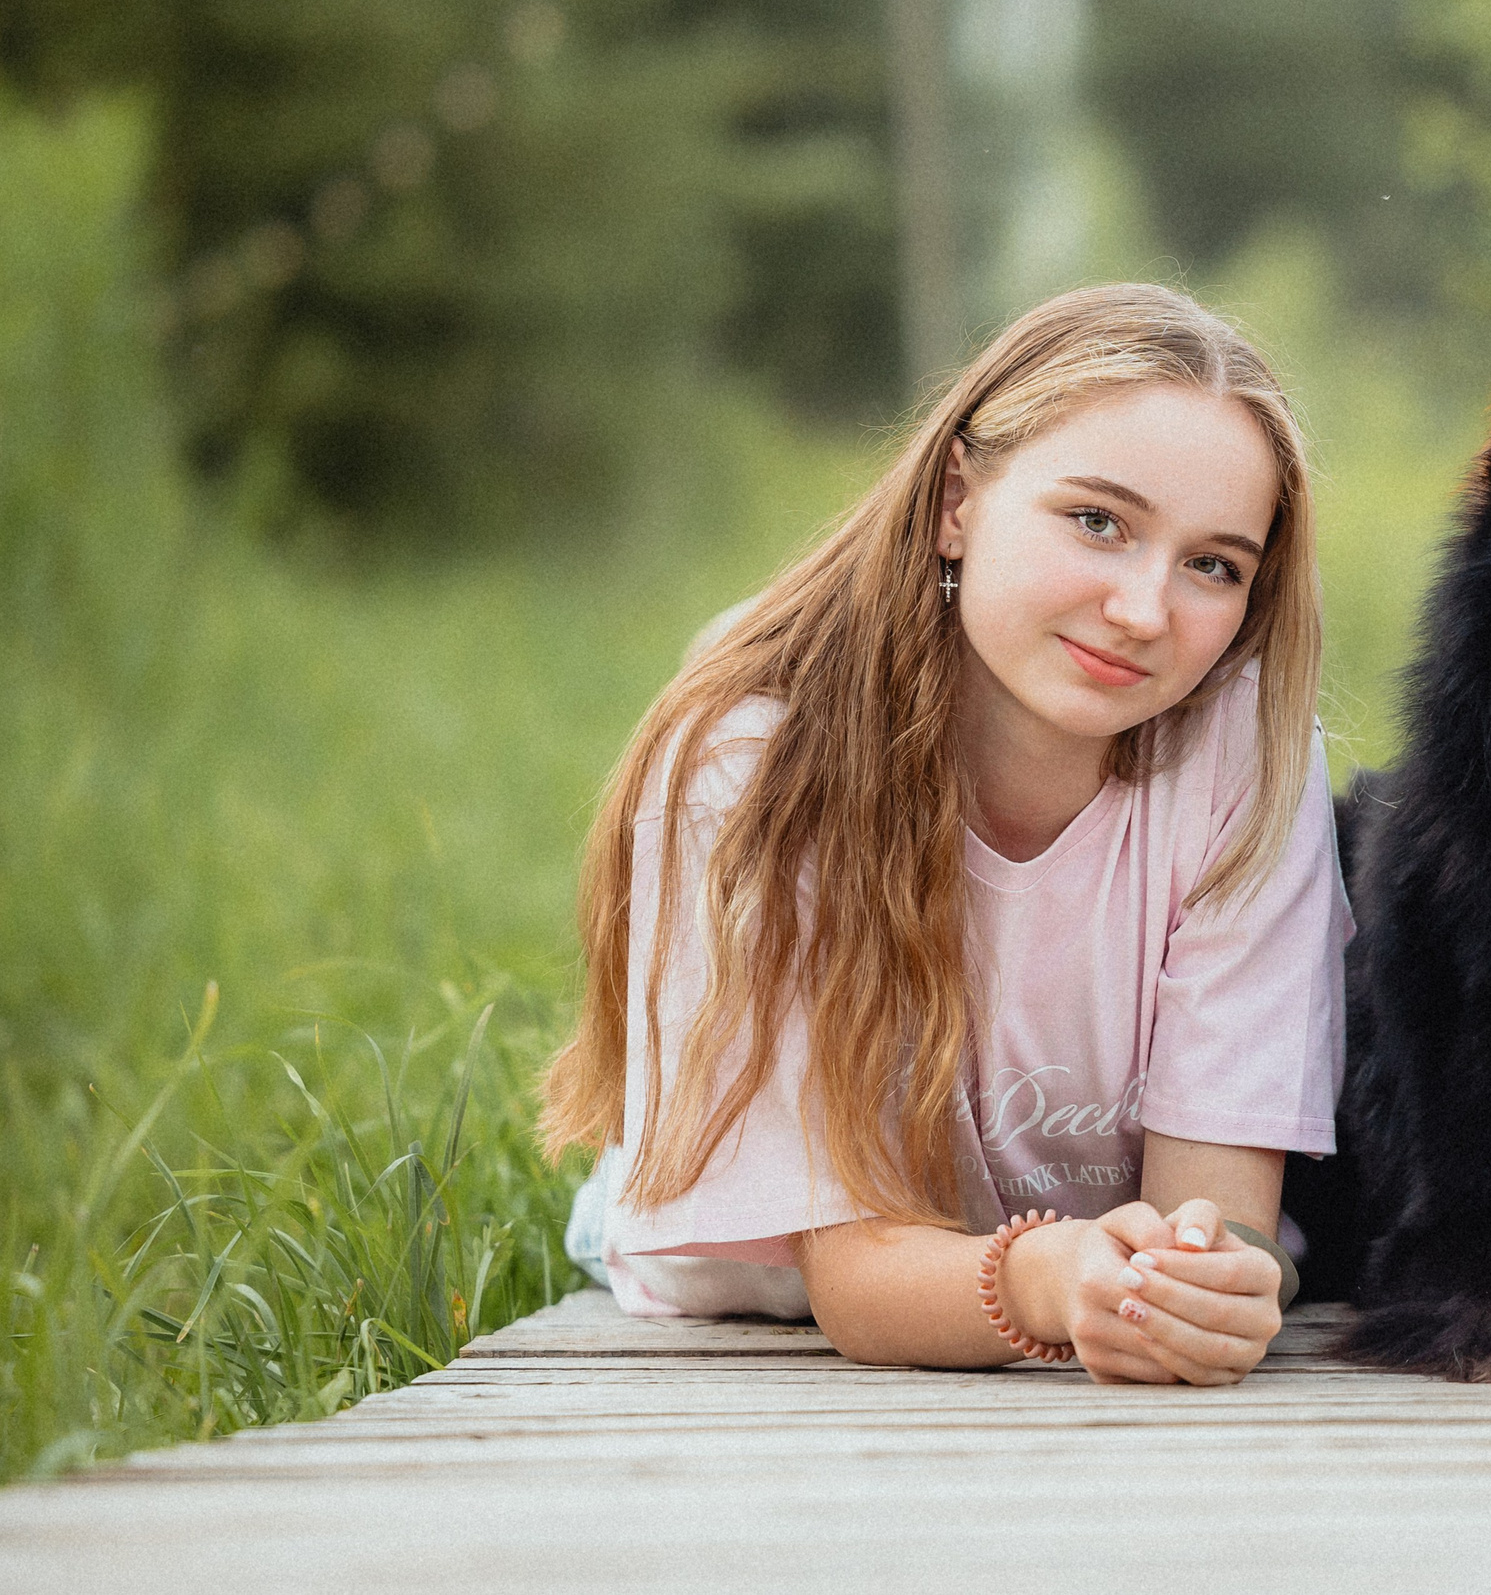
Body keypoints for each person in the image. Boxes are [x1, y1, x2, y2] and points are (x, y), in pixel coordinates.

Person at [543, 284, 1347, 1386]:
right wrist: (1052, 1279)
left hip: (1075, 1266)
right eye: (1097, 521)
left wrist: (1212, 1278)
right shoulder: (749, 760)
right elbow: (852, 1280)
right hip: (769, 1282)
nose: (1143, 610)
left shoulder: (1246, 754)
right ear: (955, 501)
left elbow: (1213, 1211)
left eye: (1213, 564)